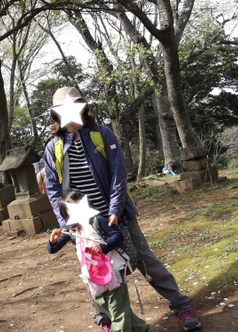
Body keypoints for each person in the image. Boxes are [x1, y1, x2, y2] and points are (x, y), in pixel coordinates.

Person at [44, 87, 202, 332]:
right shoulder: (53, 148)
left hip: (116, 216)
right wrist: (67, 225)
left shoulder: (101, 134)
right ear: (57, 115)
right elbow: (55, 192)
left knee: (145, 261)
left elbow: (118, 174)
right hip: (84, 225)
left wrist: (115, 210)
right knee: (95, 272)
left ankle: (182, 306)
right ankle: (106, 319)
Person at [48, 190, 153, 332]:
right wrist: (52, 242)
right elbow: (53, 249)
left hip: (114, 270)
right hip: (93, 276)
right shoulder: (72, 230)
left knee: (118, 312)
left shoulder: (98, 220)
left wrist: (103, 247)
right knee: (111, 309)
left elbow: (117, 235)